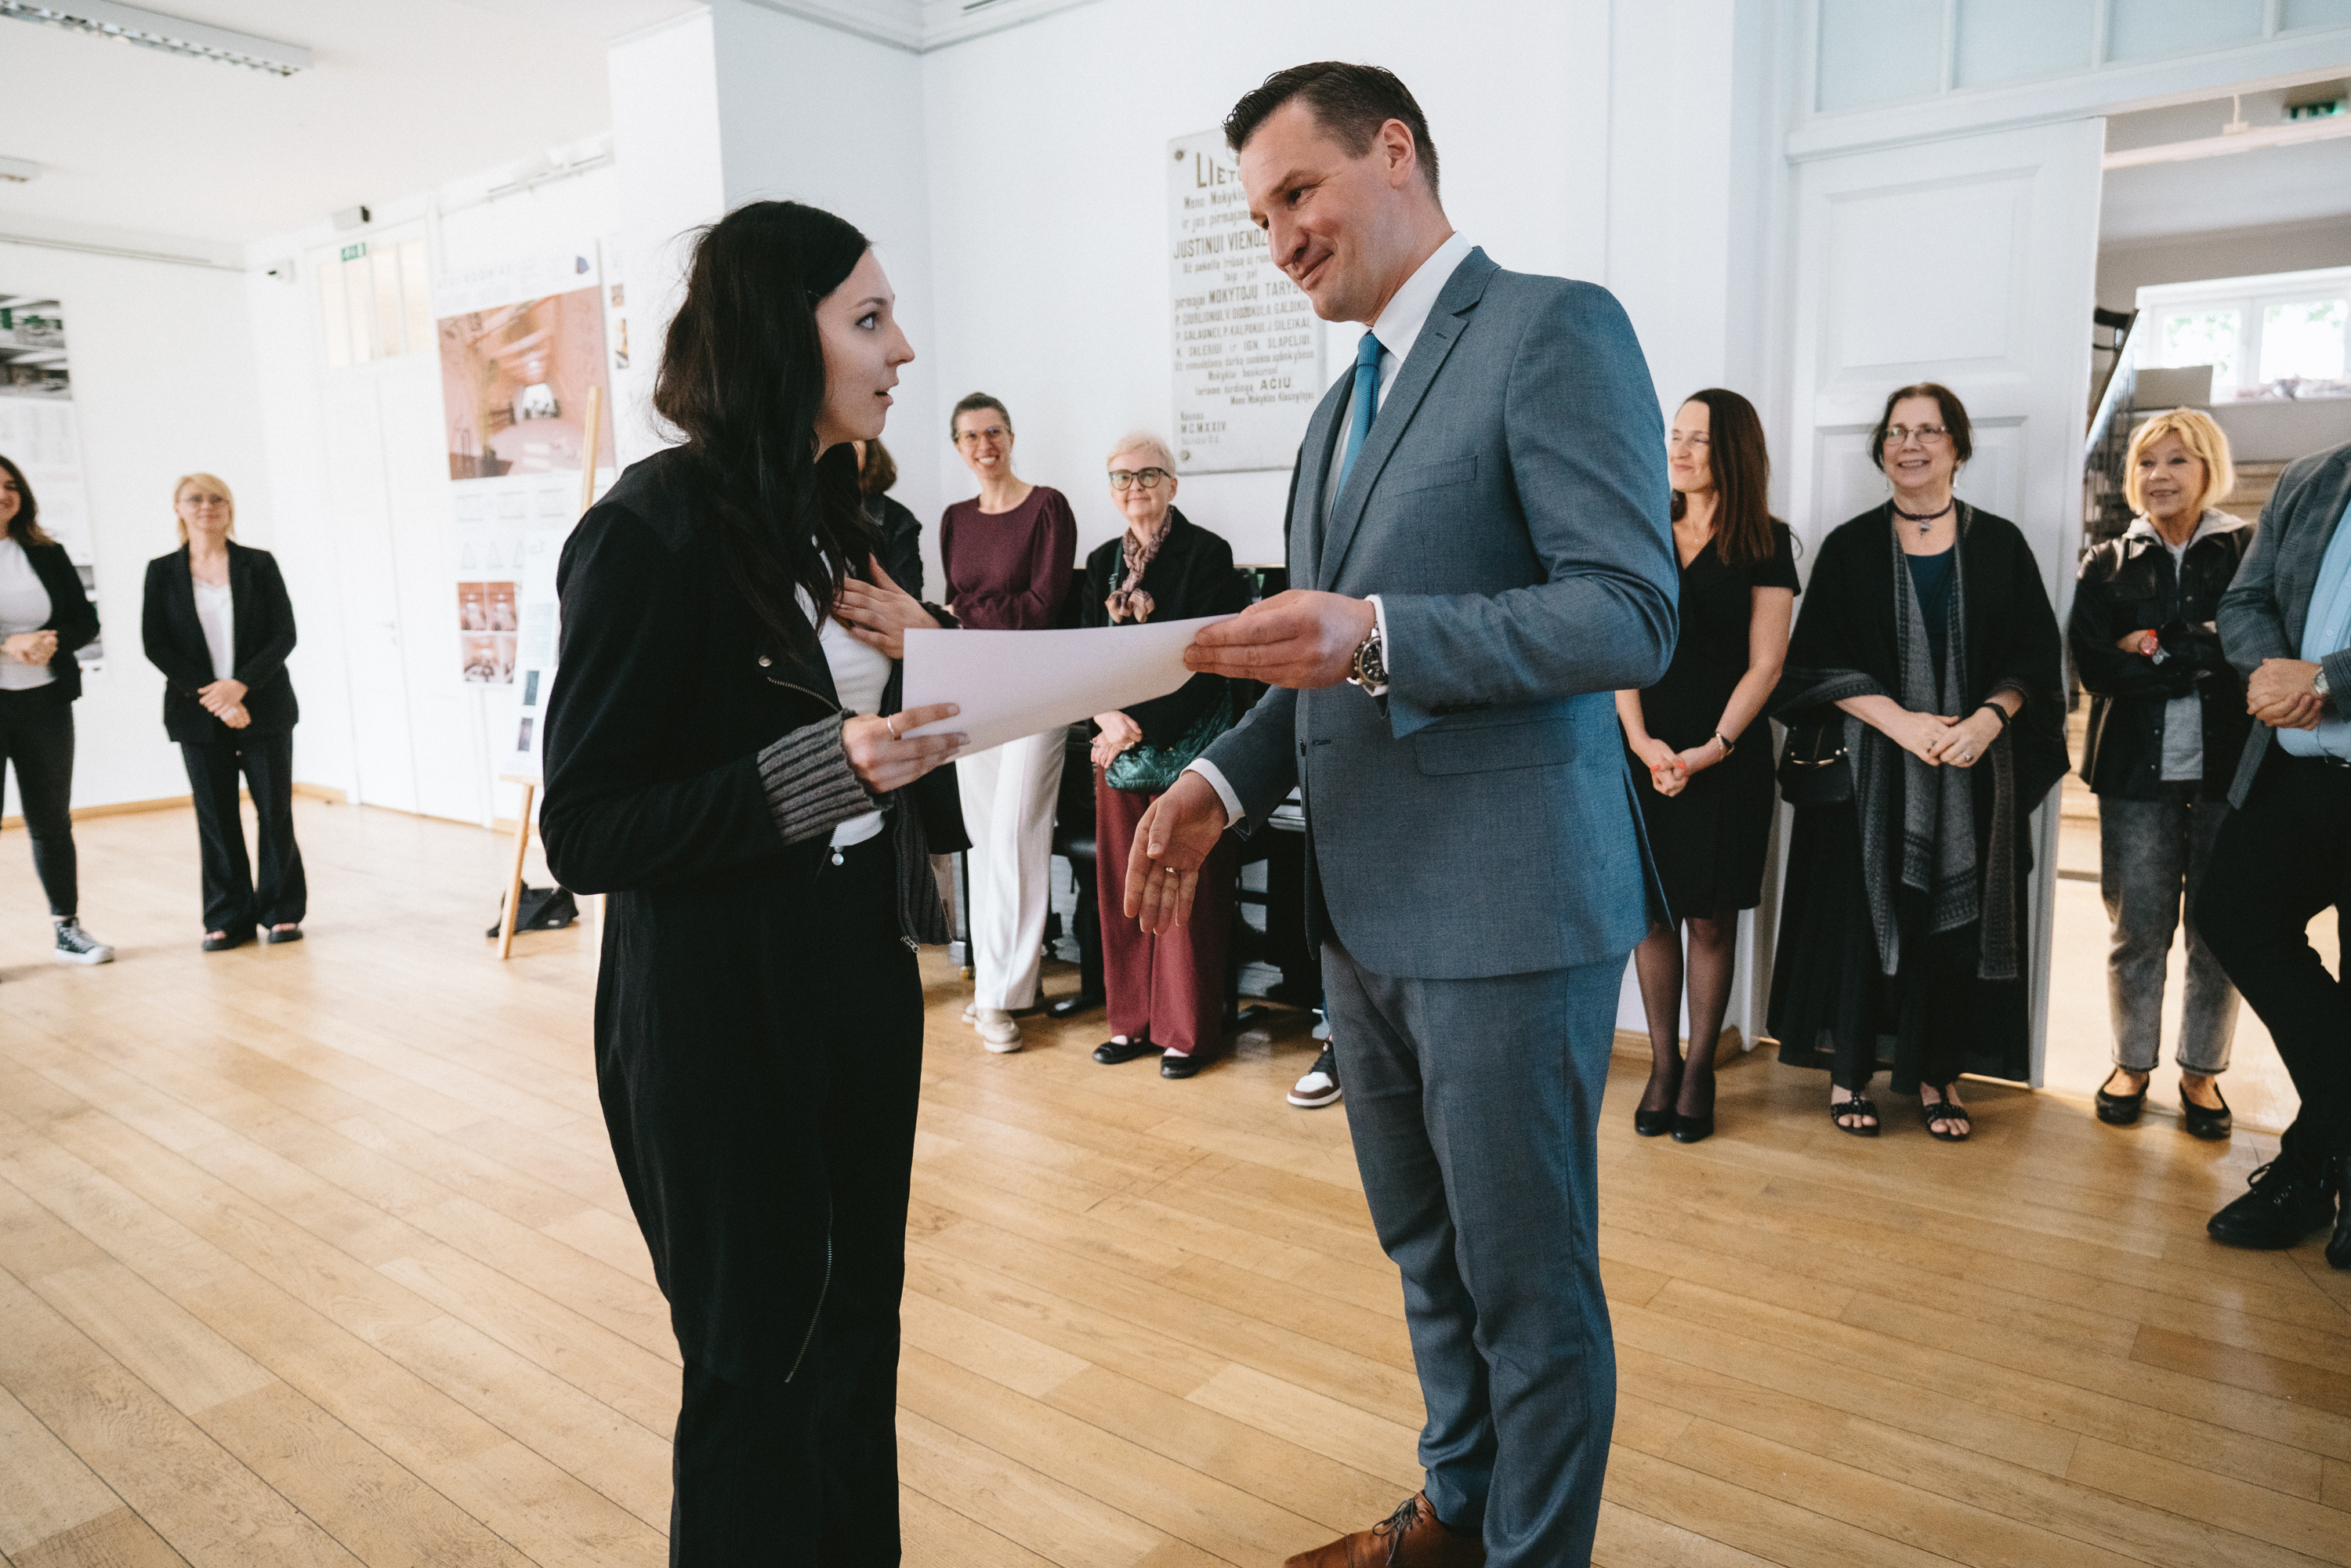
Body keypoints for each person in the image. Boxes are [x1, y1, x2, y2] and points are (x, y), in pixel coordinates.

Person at [1125, 63, 1677, 1568]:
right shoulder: (1335, 416)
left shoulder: (1554, 329)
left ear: (1396, 151)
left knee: (1528, 1285)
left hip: (1510, 909)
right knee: (1427, 1255)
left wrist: (1380, 633)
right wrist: (1215, 782)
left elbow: (1629, 613)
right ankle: (1457, 1509)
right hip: (1364, 917)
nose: (1280, 241)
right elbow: (1310, 667)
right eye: (1259, 218)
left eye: (1297, 194)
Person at [538, 200, 968, 1564]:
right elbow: (585, 831)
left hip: (858, 977)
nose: (903, 348)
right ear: (781, 338)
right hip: (718, 1012)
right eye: (869, 318)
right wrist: (819, 771)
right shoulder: (648, 532)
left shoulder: (858, 519)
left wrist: (933, 645)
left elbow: (913, 731)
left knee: (857, 1341)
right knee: (758, 1368)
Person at [1768, 382, 2067, 1140]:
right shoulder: (1848, 547)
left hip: (1974, 770)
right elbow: (1808, 668)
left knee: (1950, 933)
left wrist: (1988, 722)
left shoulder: (2000, 544)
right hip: (1866, 776)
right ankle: (1849, 1072)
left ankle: (1938, 1074)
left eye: (1928, 431)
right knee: (1858, 924)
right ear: (1881, 450)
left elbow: (2036, 658)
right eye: (1897, 432)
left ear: (1957, 447)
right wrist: (1900, 724)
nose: (1910, 444)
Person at [1616, 389, 1797, 1143]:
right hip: (1644, 752)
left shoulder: (1768, 542)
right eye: (1676, 435)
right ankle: (1662, 1065)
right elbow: (1622, 644)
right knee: (1651, 916)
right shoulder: (1641, 528)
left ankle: (1699, 1070)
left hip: (1726, 755)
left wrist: (1712, 748)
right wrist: (1639, 741)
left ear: (1735, 452)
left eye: (1700, 439)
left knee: (1710, 920)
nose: (1680, 451)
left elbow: (1767, 664)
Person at [2067, 409, 2251, 1139]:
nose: (2159, 476)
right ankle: (2131, 1063)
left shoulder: (2248, 550)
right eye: (2146, 462)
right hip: (2134, 776)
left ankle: (2201, 1069)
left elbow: (2252, 653)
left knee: (2219, 931)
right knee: (2137, 928)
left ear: (2208, 468)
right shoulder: (2105, 561)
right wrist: (2190, 657)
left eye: (2177, 460)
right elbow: (2094, 665)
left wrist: (2150, 645)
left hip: (2229, 772)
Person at [2197, 435, 2351, 1269]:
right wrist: (2273, 674)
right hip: (2294, 773)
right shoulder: (2312, 477)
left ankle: (2313, 1167)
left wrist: (2326, 680)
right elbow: (2246, 598)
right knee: (2233, 914)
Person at [1081, 432, 1249, 1078]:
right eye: (1122, 477)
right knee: (1121, 881)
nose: (1135, 487)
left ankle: (1185, 1030)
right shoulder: (1100, 561)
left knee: (1183, 882)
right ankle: (1129, 1021)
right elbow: (1080, 654)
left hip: (1190, 742)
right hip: (1116, 739)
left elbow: (1207, 661)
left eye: (1149, 474)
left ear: (1172, 485)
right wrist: (1105, 717)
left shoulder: (1208, 553)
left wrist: (1137, 727)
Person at [940, 393, 1076, 1052]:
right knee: (982, 837)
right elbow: (954, 601)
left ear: (1012, 436)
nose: (983, 444)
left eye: (993, 431)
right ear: (958, 447)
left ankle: (997, 996)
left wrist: (965, 614)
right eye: (970, 436)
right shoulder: (954, 518)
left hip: (1035, 686)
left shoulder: (1048, 507)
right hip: (973, 686)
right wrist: (964, 614)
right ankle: (1001, 980)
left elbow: (1042, 607)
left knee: (1018, 831)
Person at [141, 473, 307, 951]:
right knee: (214, 816)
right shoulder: (161, 571)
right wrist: (215, 697)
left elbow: (284, 634)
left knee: (275, 811)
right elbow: (156, 644)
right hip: (197, 713)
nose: (207, 506)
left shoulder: (259, 564)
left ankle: (281, 911)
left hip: (264, 707)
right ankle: (227, 917)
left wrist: (240, 687)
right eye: (195, 499)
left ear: (230, 508)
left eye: (217, 499)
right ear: (178, 508)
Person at [0, 453, 111, 969]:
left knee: (51, 820)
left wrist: (51, 641)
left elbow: (86, 621)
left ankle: (67, 929)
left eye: (10, 486)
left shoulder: (47, 552)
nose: (3, 495)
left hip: (45, 702)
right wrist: (8, 645)